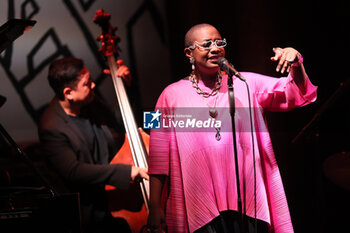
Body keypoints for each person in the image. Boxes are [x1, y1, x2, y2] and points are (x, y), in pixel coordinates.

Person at [146, 23, 317, 233]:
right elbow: (156, 153)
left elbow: (296, 94)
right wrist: (154, 206)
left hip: (247, 199)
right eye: (206, 44)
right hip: (198, 202)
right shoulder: (167, 94)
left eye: (219, 43)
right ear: (188, 53)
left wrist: (296, 61)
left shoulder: (245, 82)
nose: (215, 48)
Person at [38, 57, 149, 233]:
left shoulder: (88, 102)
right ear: (68, 93)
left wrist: (126, 88)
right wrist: (127, 171)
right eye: (86, 83)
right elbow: (73, 171)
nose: (93, 85)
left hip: (117, 198)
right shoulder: (51, 127)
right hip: (90, 214)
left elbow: (119, 118)